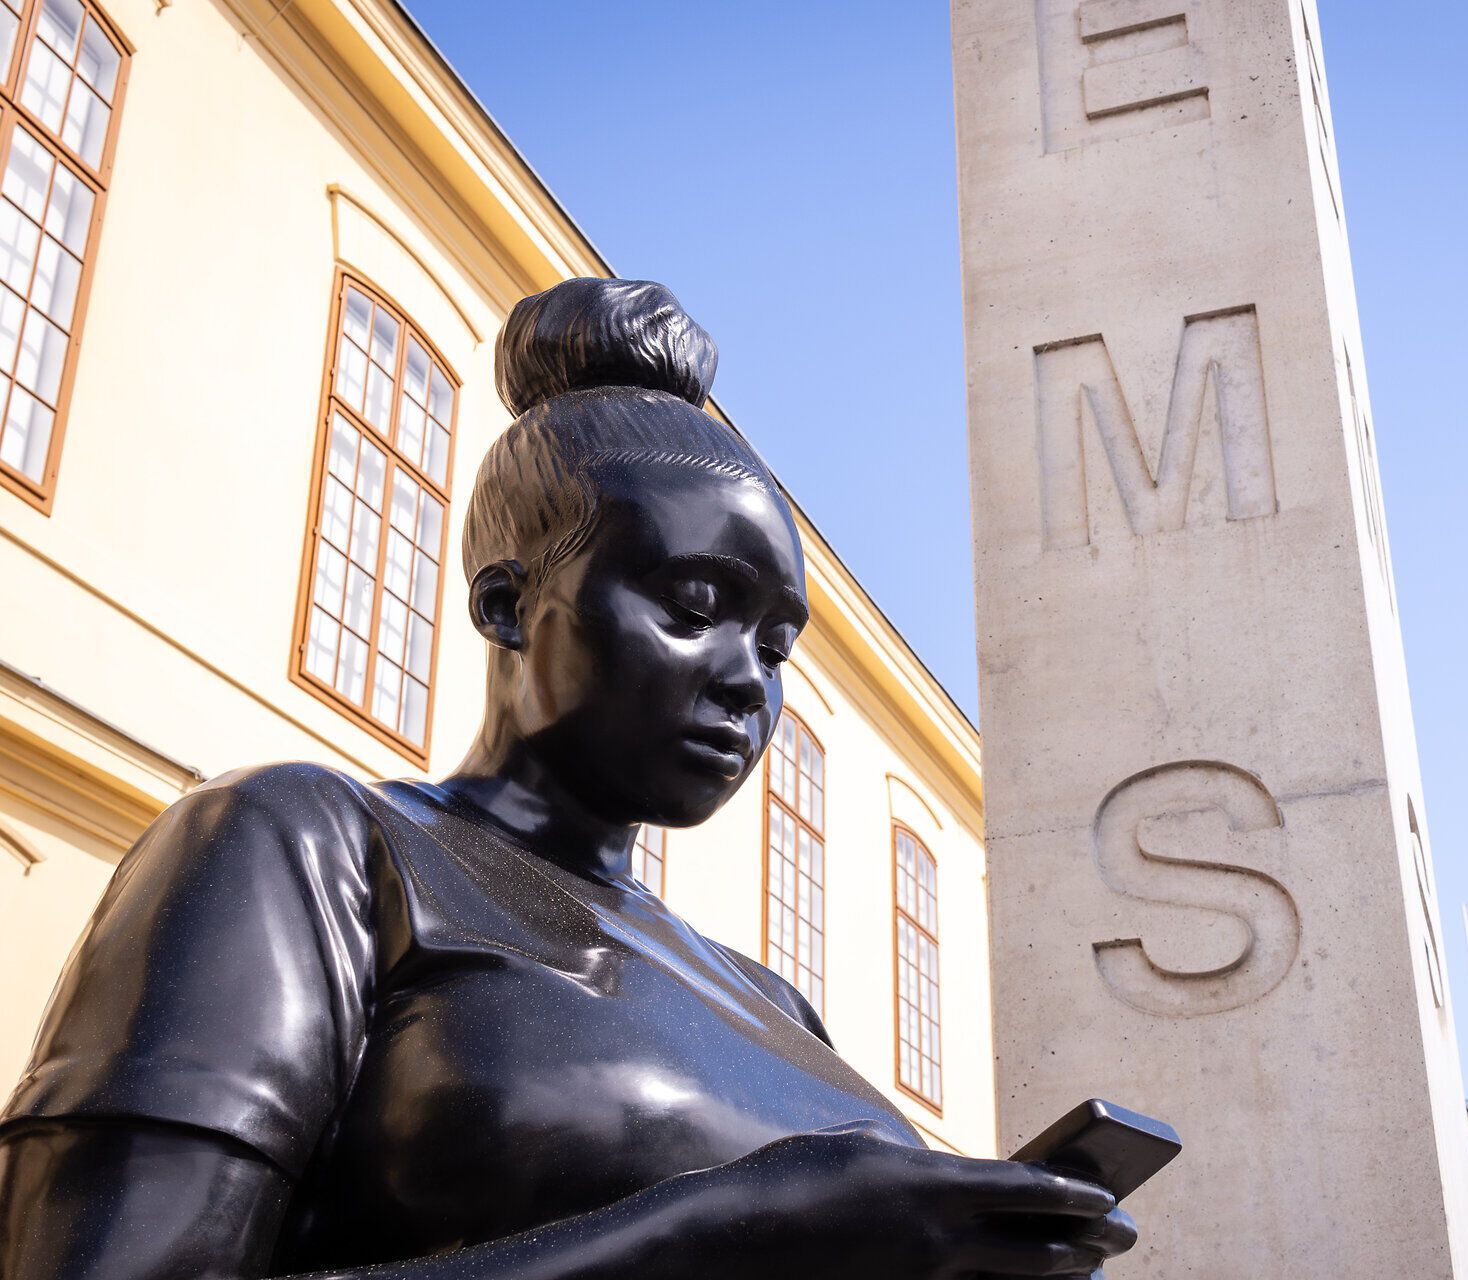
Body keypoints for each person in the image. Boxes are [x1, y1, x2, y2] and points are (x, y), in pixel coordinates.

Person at [0, 279, 1138, 1279]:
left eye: (776, 643)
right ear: (507, 603)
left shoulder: (775, 1002)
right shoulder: (306, 843)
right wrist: (720, 1238)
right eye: (694, 610)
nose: (750, 684)